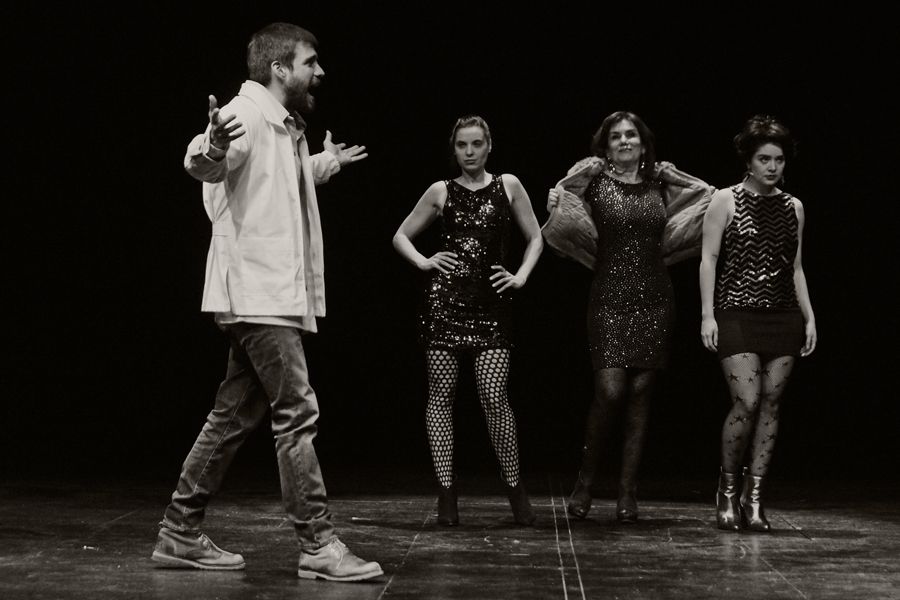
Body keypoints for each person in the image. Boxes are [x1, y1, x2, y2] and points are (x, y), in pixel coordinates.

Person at [151, 23, 383, 581]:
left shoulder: (282, 125)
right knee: (297, 413)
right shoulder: (246, 114)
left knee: (232, 415)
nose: (319, 71)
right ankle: (318, 544)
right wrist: (211, 143)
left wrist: (322, 165)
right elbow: (205, 163)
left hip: (267, 293)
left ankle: (180, 530)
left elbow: (271, 183)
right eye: (310, 61)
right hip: (260, 295)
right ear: (280, 68)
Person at [546, 111, 712, 524]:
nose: (624, 141)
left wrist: (670, 173)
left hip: (655, 297)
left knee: (640, 395)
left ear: (643, 142)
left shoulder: (660, 185)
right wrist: (556, 204)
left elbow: (703, 198)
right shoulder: (594, 183)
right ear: (605, 146)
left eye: (631, 135)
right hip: (608, 296)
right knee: (611, 391)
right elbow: (565, 221)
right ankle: (585, 482)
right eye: (616, 136)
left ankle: (627, 491)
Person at [392, 116, 543, 526]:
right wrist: (424, 262)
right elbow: (400, 235)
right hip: (444, 305)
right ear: (454, 149)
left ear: (489, 145)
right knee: (440, 397)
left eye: (476, 144)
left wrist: (521, 276)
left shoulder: (508, 185)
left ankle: (515, 488)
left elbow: (536, 237)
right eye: (462, 145)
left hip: (491, 307)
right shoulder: (440, 190)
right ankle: (446, 493)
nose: (470, 152)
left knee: (494, 397)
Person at [699, 115, 817, 532]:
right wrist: (707, 314)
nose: (772, 167)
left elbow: (796, 267)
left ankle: (754, 499)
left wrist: (809, 317)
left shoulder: (793, 207)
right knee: (747, 401)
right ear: (748, 161)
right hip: (736, 312)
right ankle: (727, 490)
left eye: (779, 160)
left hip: (782, 314)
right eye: (764, 159)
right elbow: (708, 259)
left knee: (771, 404)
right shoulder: (725, 200)